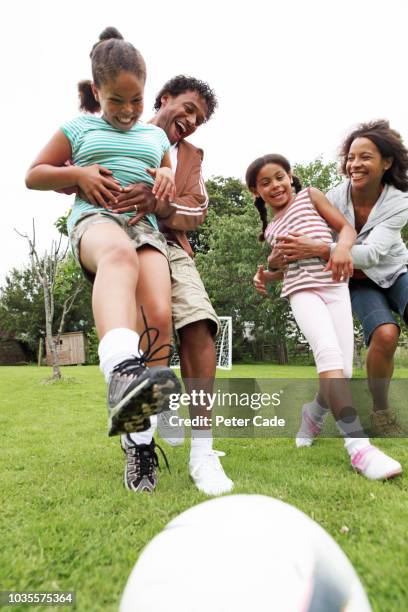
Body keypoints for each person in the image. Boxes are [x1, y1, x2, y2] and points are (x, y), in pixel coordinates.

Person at [25, 27, 181, 438]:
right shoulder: (78, 129)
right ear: (97, 91)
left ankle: (142, 434)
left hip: (145, 230)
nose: (128, 110)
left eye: (137, 100)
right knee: (118, 257)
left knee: (159, 319)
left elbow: (168, 205)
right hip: (97, 222)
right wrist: (78, 173)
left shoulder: (157, 136)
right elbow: (34, 175)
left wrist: (165, 181)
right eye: (116, 100)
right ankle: (119, 368)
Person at [106, 76, 233, 495]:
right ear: (164, 99)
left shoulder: (191, 156)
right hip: (122, 235)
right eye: (189, 108)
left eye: (200, 119)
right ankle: (141, 441)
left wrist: (160, 202)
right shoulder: (121, 124)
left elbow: (196, 210)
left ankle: (203, 450)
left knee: (200, 323)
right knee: (150, 333)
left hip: (172, 243)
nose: (193, 121)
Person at [248, 154, 402, 480]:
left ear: (290, 177)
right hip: (303, 292)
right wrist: (266, 274)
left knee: (342, 372)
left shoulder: (311, 196)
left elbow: (345, 228)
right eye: (265, 183)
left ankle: (313, 412)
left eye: (279, 177)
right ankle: (359, 447)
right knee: (328, 356)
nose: (275, 185)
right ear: (256, 192)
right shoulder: (272, 229)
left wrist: (342, 248)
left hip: (334, 287)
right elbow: (282, 269)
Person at [270, 120, 408, 438]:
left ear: (387, 162)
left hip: (394, 271)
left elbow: (372, 254)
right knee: (385, 335)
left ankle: (319, 411)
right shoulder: (332, 197)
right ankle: (382, 411)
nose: (354, 164)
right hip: (355, 280)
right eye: (351, 157)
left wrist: (323, 248)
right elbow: (303, 237)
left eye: (365, 157)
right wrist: (275, 264)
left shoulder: (399, 199)